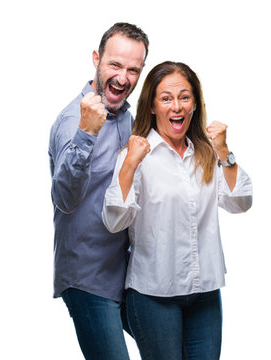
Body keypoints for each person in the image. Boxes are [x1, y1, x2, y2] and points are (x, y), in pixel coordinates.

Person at [102, 61, 253, 360]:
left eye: (184, 97)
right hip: (153, 294)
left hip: (205, 292)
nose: (177, 106)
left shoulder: (208, 154)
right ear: (153, 106)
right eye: (166, 98)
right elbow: (114, 220)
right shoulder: (135, 154)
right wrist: (130, 164)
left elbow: (240, 203)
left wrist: (225, 152)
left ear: (195, 104)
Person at [48, 22, 148, 359]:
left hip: (129, 274)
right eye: (115, 65)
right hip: (87, 278)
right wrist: (86, 134)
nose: (123, 78)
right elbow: (63, 198)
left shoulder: (129, 120)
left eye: (133, 69)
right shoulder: (70, 121)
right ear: (96, 59)